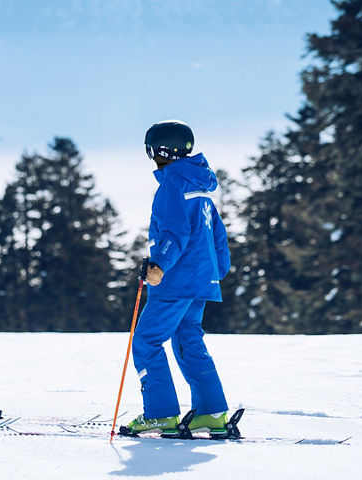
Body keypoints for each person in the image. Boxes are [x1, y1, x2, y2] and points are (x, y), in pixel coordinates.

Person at [126, 120, 232, 434]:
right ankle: (210, 412)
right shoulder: (199, 185)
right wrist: (216, 270)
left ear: (158, 151)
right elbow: (217, 235)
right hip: (199, 280)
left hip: (176, 280)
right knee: (188, 342)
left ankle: (160, 413)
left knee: (146, 341)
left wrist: (160, 265)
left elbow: (174, 232)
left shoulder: (172, 184)